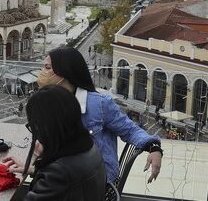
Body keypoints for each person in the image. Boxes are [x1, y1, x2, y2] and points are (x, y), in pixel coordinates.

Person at [34, 47, 163, 185]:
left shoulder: (99, 104)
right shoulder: (52, 103)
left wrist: (154, 147)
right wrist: (33, 166)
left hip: (95, 183)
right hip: (65, 178)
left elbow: (130, 130)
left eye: (47, 68)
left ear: (65, 72)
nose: (42, 73)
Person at [3, 85, 107, 200]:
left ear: (49, 127)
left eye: (35, 126)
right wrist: (33, 170)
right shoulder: (89, 147)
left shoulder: (59, 174)